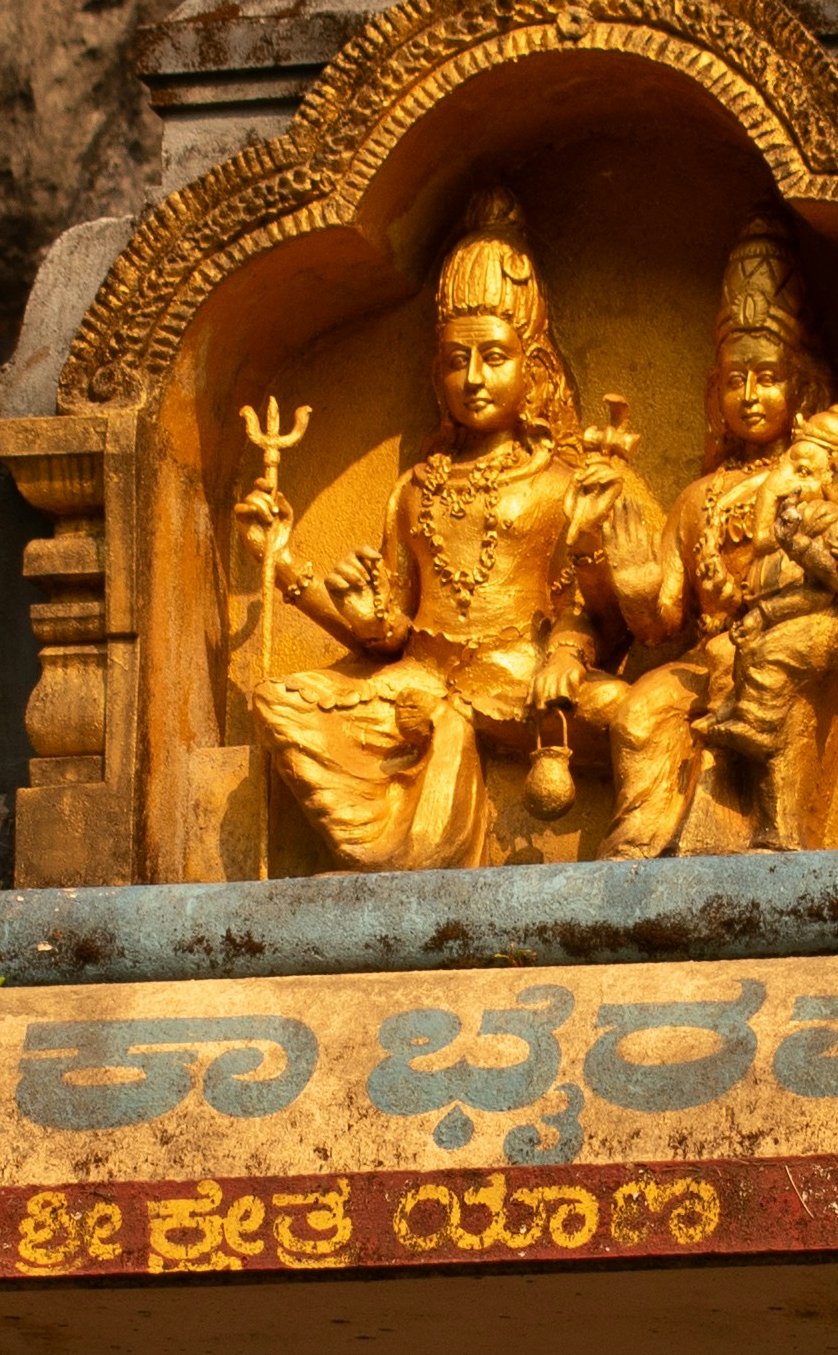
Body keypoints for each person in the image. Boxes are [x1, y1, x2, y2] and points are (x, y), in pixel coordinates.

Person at [235, 185, 656, 869]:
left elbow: (590, 613)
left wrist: (567, 654)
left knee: (652, 719)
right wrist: (286, 564)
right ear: (438, 371)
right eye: (457, 360)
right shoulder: (414, 490)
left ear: (534, 367)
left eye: (494, 357)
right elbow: (387, 628)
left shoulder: (562, 484)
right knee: (281, 700)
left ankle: (635, 877)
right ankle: (402, 848)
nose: (474, 378)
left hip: (530, 691)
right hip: (423, 685)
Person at [589, 218, 838, 855]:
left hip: (786, 647)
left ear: (800, 384)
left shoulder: (821, 476)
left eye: (766, 376)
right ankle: (629, 863)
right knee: (636, 715)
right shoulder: (696, 497)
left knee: (754, 690)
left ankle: (751, 847)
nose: (749, 395)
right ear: (715, 390)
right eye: (735, 379)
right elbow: (663, 623)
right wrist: (635, 586)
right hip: (709, 651)